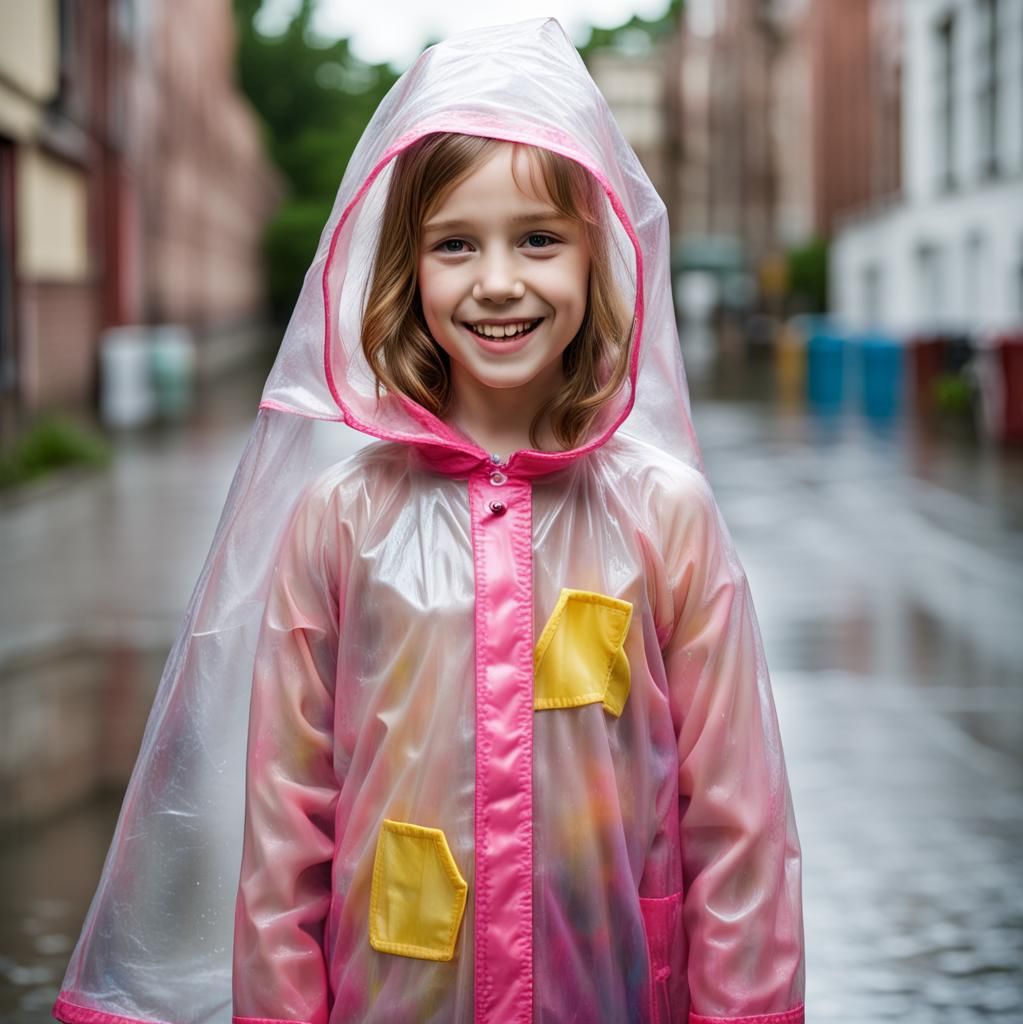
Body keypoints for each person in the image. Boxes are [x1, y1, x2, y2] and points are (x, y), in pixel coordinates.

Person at [53, 18, 804, 1024]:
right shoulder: (340, 518)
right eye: (456, 244)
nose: (498, 281)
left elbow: (739, 826)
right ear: (408, 269)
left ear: (599, 257)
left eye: (538, 238)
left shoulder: (665, 516)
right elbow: (285, 836)